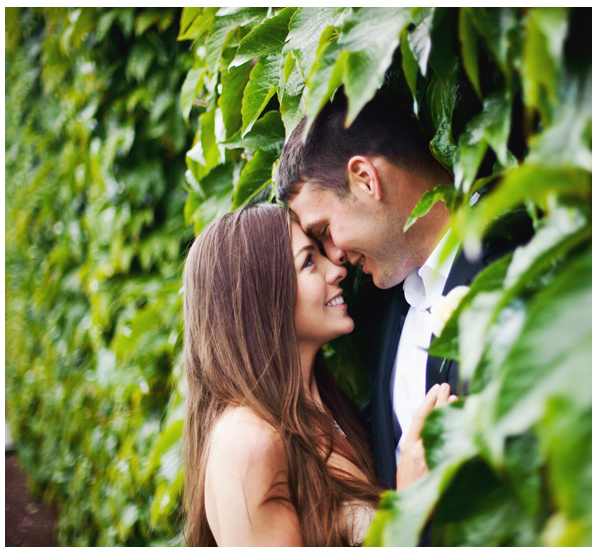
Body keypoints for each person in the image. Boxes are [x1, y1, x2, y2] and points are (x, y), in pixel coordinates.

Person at [276, 94, 529, 490]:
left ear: (365, 179)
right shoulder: (382, 310)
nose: (335, 257)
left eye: (325, 230)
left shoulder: (518, 262)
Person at [181, 204, 455, 546]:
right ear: (262, 298)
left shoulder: (325, 410)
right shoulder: (247, 443)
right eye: (308, 261)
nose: (336, 268)